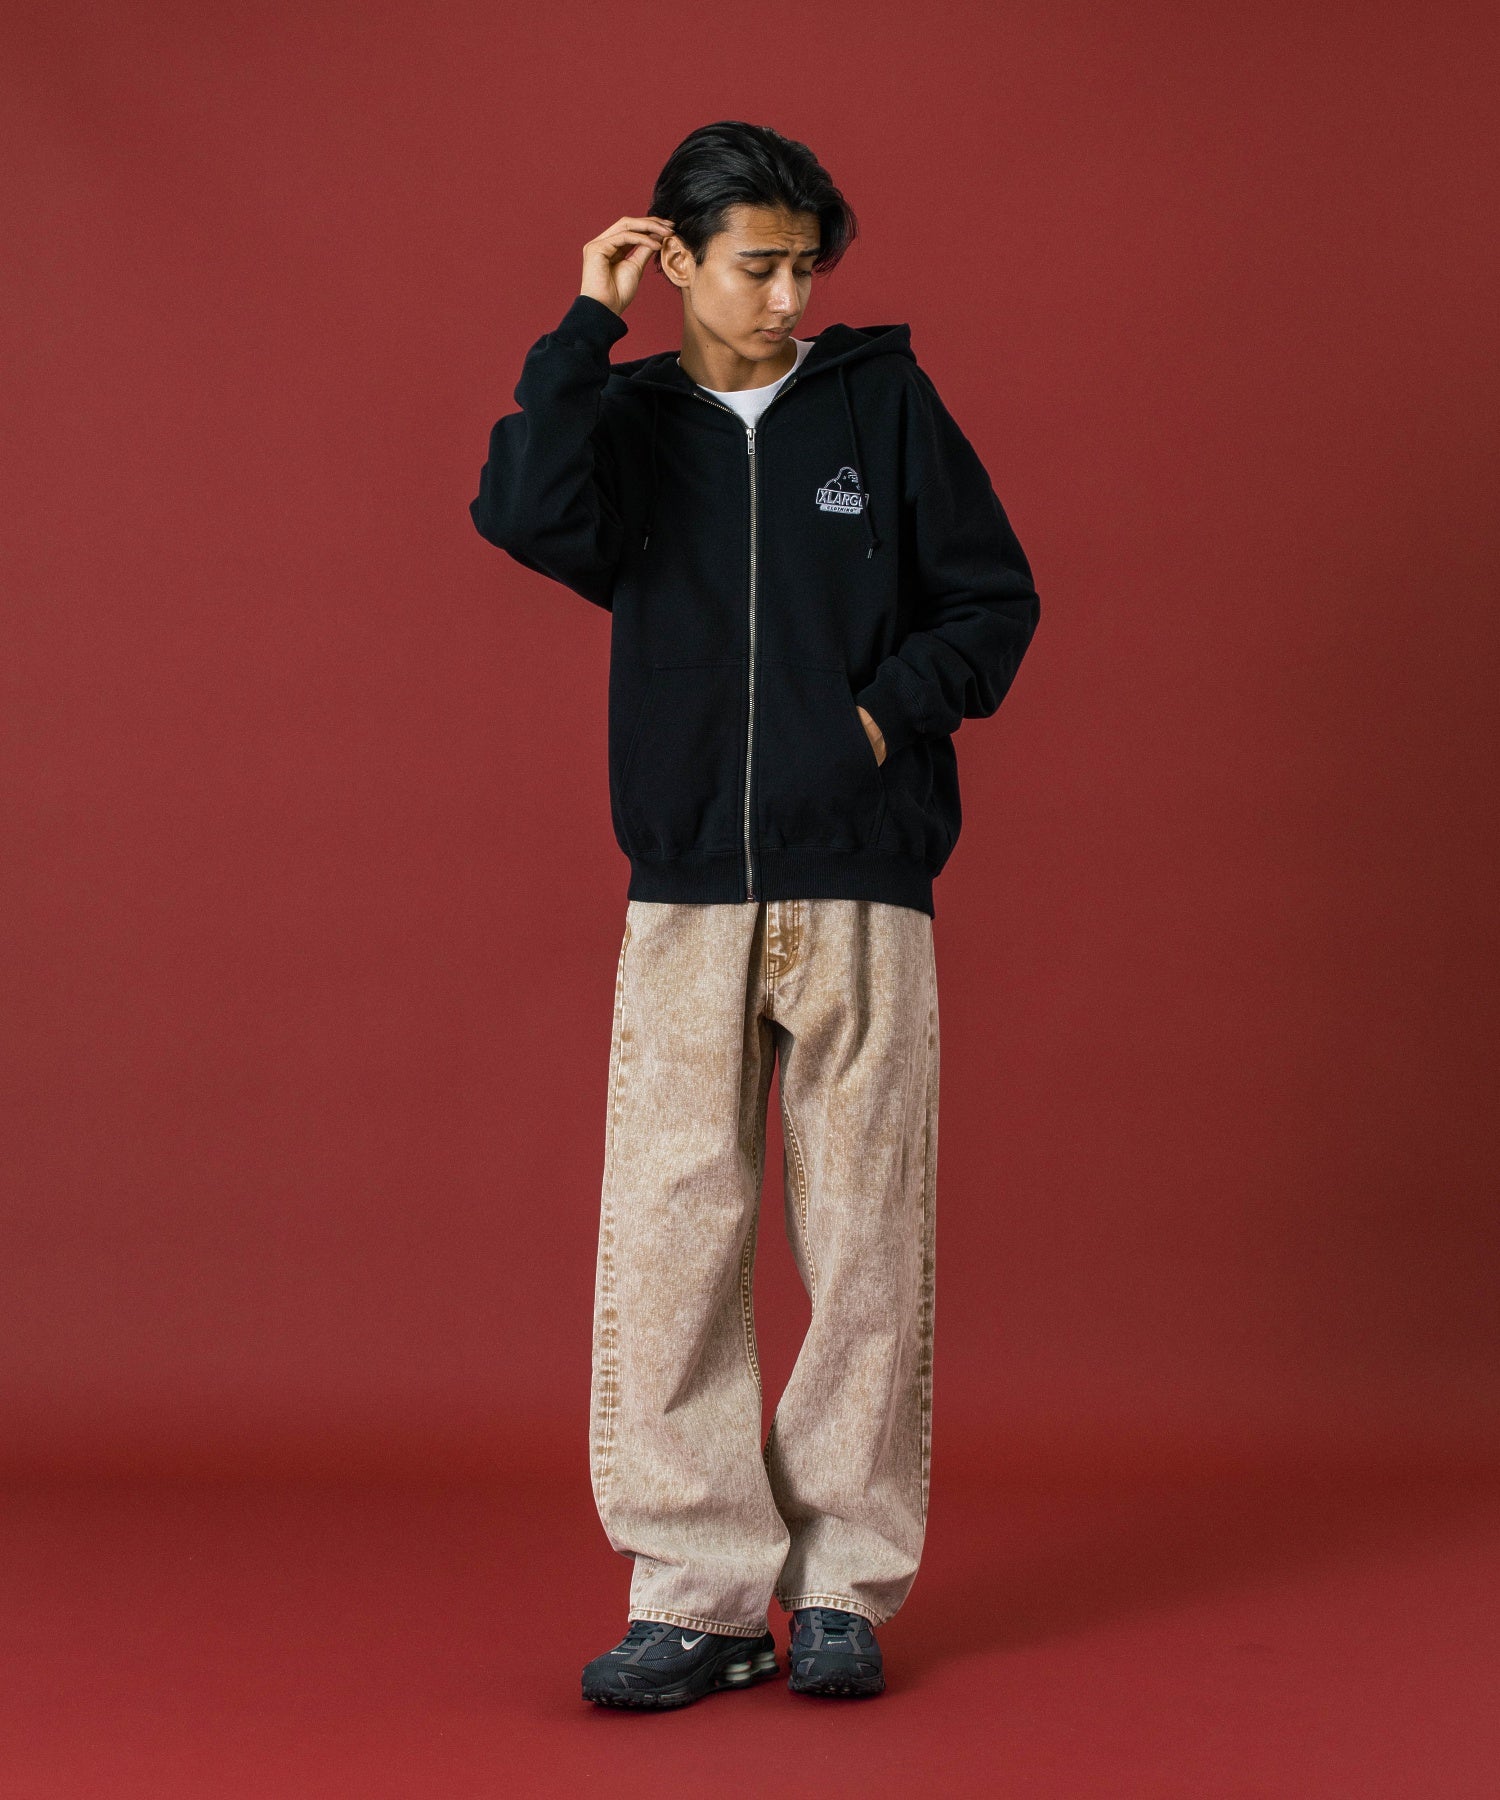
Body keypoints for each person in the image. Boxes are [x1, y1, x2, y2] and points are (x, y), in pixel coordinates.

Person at [469, 120, 1040, 1709]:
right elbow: (523, 514)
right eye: (758, 266)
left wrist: (871, 724)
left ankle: (841, 1584)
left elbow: (994, 601)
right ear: (681, 261)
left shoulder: (883, 403)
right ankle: (699, 1597)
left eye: (806, 267)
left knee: (865, 1242)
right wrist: (584, 325)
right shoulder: (628, 420)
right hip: (685, 890)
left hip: (863, 876)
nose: (790, 297)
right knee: (671, 1238)